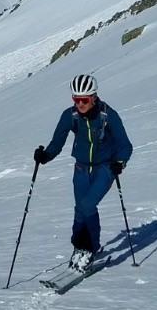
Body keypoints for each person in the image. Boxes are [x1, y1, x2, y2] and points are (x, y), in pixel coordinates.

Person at [34, 73, 133, 271]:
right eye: (76, 99)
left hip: (104, 168)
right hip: (80, 169)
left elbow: (125, 145)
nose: (80, 104)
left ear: (94, 96)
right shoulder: (70, 116)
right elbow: (57, 143)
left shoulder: (108, 115)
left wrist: (119, 163)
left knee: (88, 204)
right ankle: (79, 246)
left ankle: (90, 247)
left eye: (84, 100)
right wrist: (45, 156)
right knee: (79, 209)